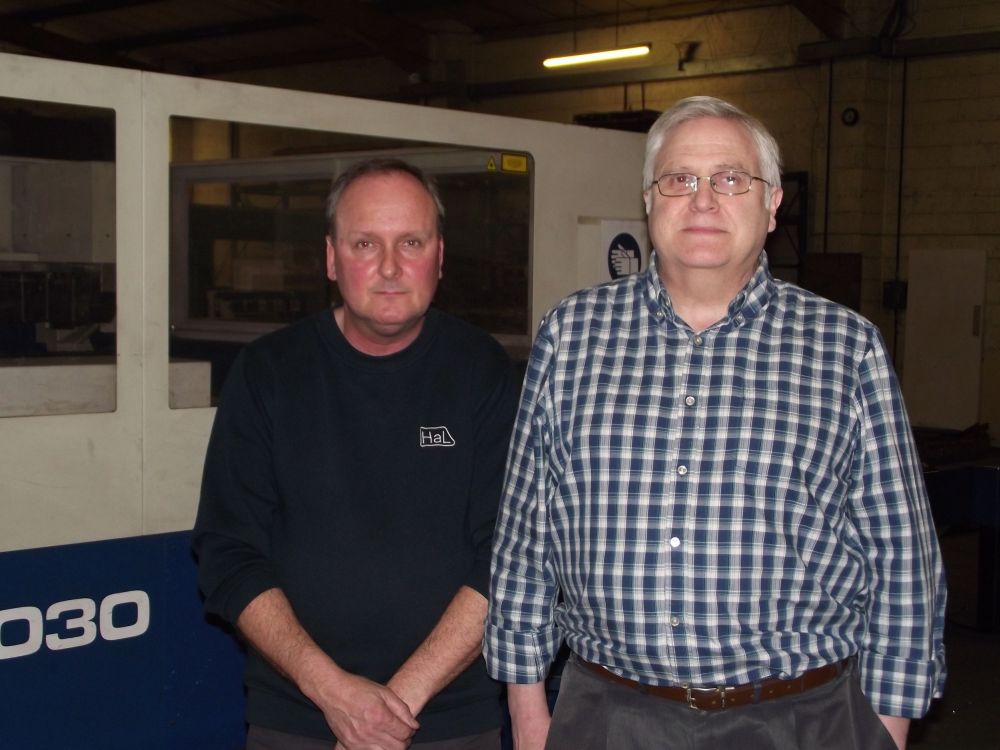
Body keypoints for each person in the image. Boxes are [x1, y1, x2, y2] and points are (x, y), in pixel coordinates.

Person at [484, 96, 946, 750]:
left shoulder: (845, 349)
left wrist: (886, 729)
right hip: (608, 716)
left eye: (731, 178)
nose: (703, 199)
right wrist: (528, 709)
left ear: (772, 204)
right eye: (679, 179)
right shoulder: (573, 336)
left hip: (800, 720)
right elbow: (526, 536)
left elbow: (902, 556)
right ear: (649, 200)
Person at [193, 158, 519, 750]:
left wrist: (389, 711)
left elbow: (507, 555)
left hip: (449, 719)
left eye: (411, 242)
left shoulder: (484, 373)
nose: (390, 267)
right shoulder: (268, 374)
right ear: (330, 258)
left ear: (439, 257)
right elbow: (229, 552)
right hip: (299, 717)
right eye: (365, 243)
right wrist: (336, 694)